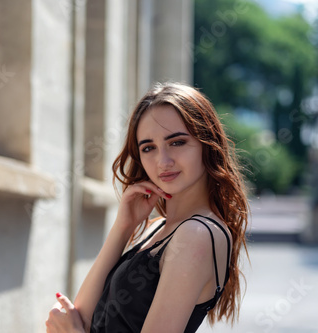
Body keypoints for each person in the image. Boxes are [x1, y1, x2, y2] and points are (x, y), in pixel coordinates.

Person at [45, 82, 249, 332]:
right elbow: (84, 318)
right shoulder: (158, 228)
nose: (163, 161)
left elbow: (76, 328)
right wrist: (123, 227)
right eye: (149, 148)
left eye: (177, 142)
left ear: (207, 142)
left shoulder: (196, 234)